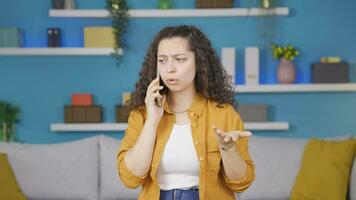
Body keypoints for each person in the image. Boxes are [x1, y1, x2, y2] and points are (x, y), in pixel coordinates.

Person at [117, 25, 255, 200]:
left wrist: (228, 149)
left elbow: (242, 183)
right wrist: (152, 122)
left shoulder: (224, 114)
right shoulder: (142, 115)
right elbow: (130, 179)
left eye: (180, 59)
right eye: (162, 60)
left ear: (198, 62)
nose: (169, 69)